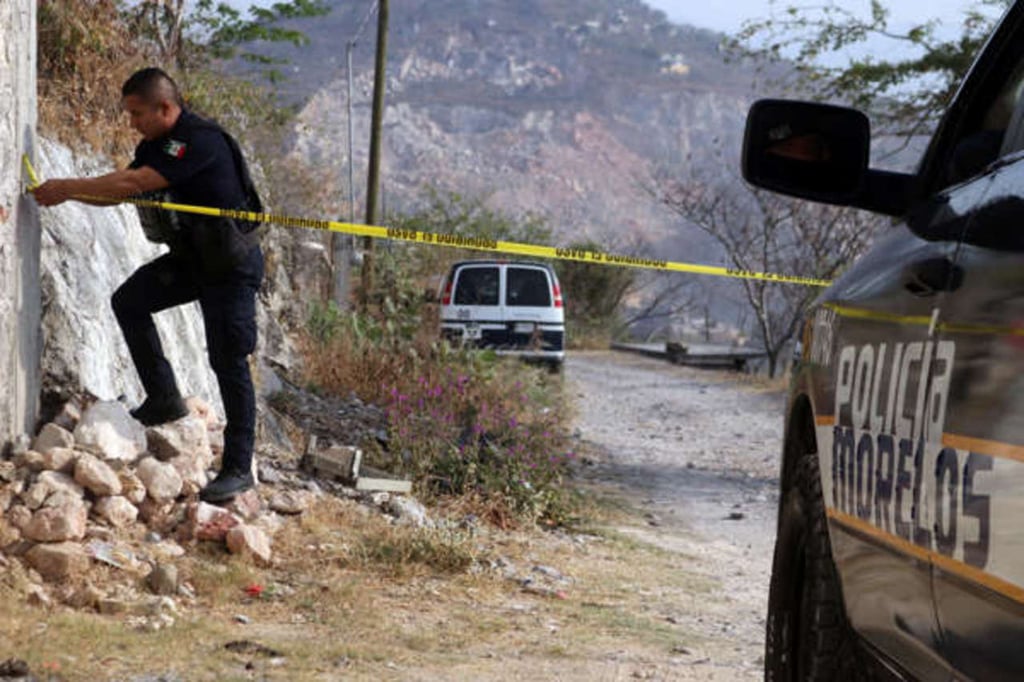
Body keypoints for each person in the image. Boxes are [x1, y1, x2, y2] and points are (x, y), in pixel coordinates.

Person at [32, 67, 263, 503]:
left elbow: (136, 182)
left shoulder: (200, 141)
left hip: (231, 265)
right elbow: (119, 190)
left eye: (138, 113)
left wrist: (65, 187)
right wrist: (63, 192)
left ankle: (237, 467)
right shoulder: (155, 145)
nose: (132, 122)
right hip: (193, 260)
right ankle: (163, 398)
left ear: (166, 107)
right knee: (131, 302)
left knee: (228, 358)